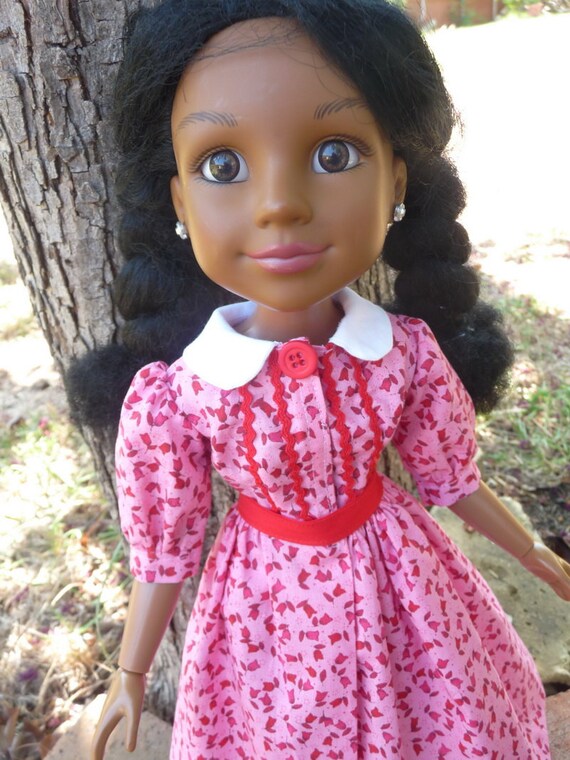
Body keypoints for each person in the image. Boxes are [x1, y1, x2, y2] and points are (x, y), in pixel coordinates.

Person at [71, 1, 570, 757]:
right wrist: (131, 672)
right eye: (222, 166)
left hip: (402, 586)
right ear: (180, 202)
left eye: (334, 154)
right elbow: (165, 549)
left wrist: (532, 553)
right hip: (267, 615)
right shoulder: (182, 395)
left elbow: (452, 478)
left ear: (396, 180)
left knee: (437, 713)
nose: (280, 205)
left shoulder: (401, 351)